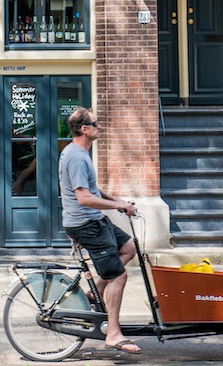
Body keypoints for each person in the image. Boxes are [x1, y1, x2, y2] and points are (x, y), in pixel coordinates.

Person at [58, 106, 141, 355]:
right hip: (86, 223)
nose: (100, 127)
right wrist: (117, 205)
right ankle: (113, 334)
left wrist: (120, 202)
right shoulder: (75, 156)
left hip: (94, 219)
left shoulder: (80, 154)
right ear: (84, 129)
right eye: (96, 123)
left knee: (129, 248)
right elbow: (84, 198)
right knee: (118, 275)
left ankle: (93, 292)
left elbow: (93, 190)